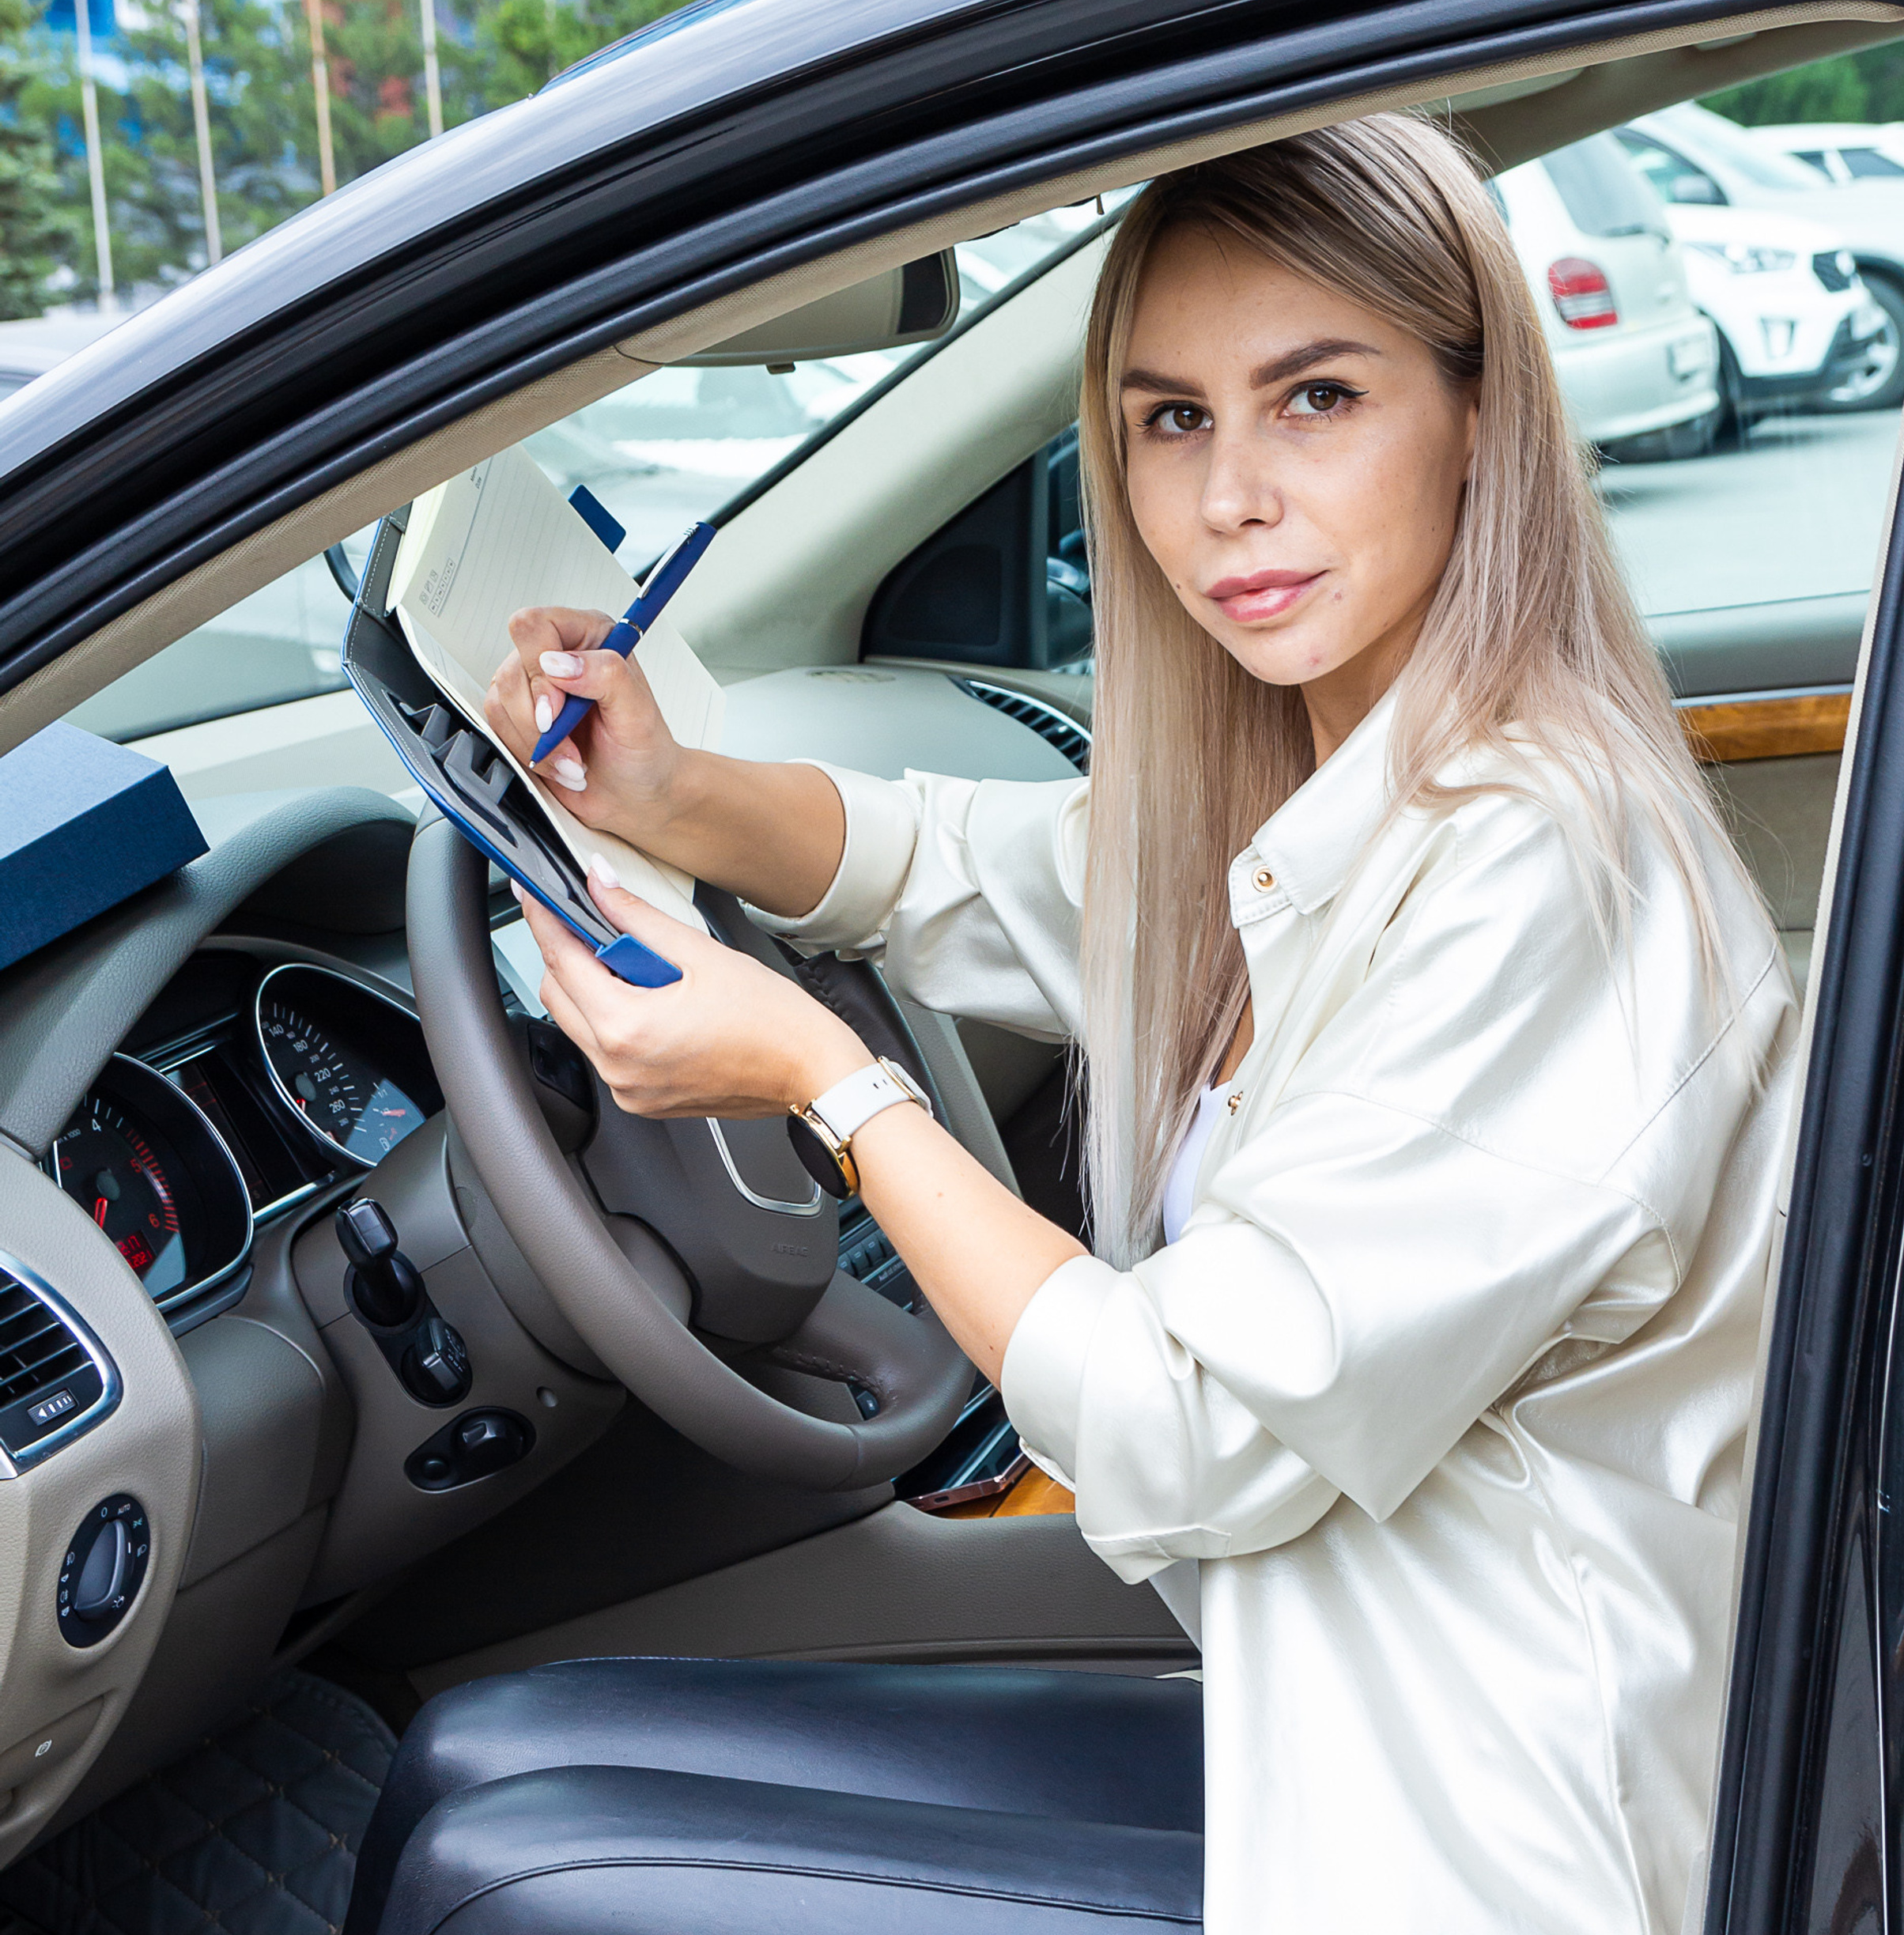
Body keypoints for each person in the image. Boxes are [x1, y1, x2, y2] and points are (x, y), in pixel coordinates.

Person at [485, 113, 1797, 1933]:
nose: (1225, 497)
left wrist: (824, 1081)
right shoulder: (1345, 775)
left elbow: (1176, 1423)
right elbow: (968, 862)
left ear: (1479, 412)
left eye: (1314, 397)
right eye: (1170, 416)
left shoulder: (1536, 873)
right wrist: (678, 786)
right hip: (1325, 1716)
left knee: (497, 1853)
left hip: (1481, 1838)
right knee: (501, 1754)